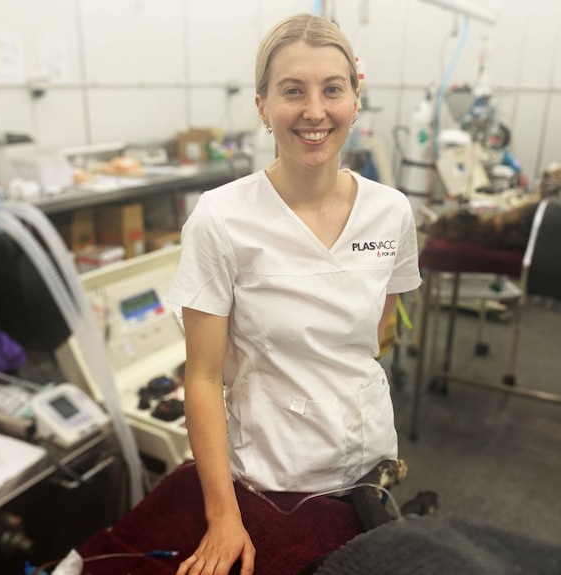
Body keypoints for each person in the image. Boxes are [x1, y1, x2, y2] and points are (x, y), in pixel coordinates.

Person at [168, 13, 421, 575]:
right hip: (271, 473)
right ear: (262, 106)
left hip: (370, 461)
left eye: (333, 89)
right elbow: (203, 378)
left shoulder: (391, 212)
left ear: (356, 99)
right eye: (292, 91)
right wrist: (223, 518)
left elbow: (380, 330)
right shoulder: (222, 218)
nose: (314, 111)